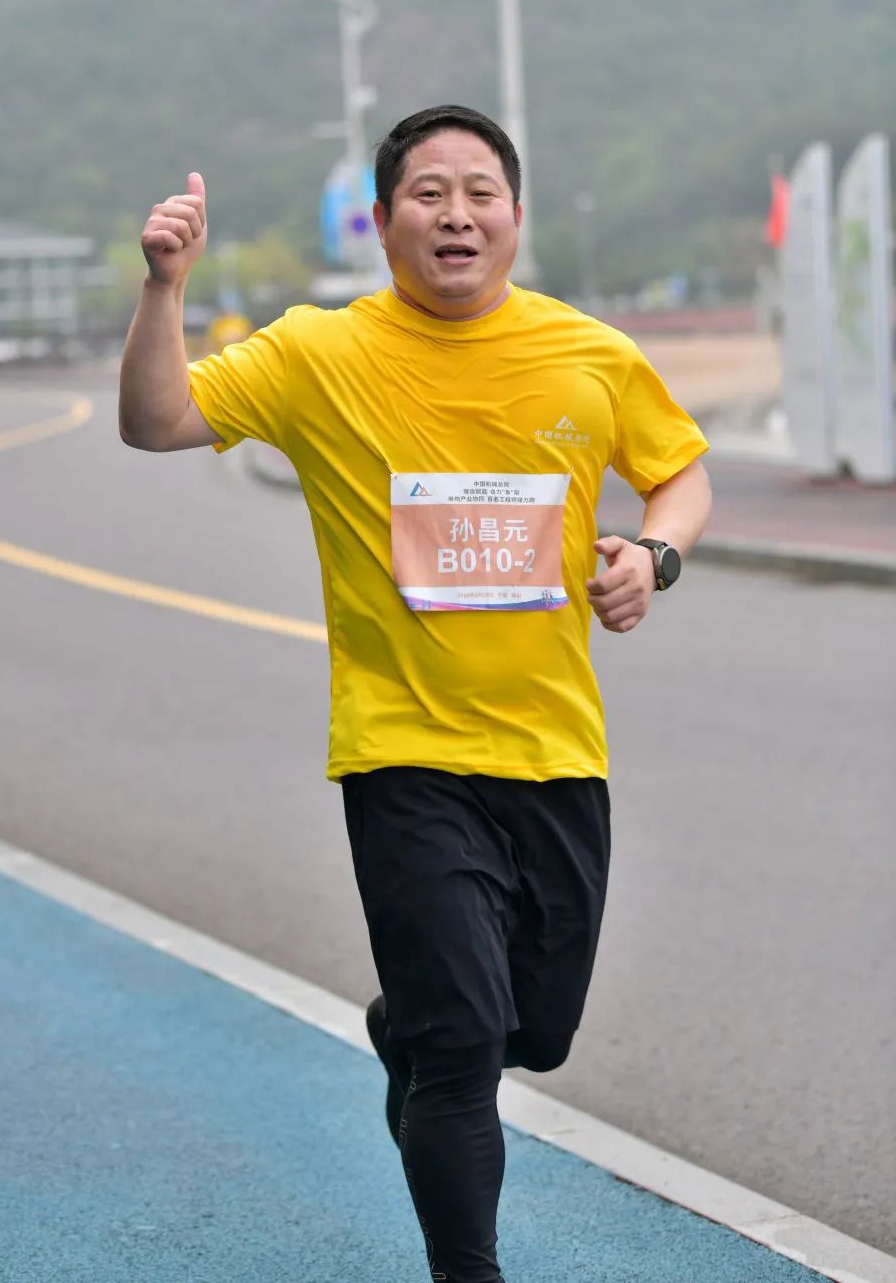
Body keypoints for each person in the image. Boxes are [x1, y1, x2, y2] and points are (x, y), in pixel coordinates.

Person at [119, 104, 712, 1283]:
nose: (456, 213)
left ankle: (403, 1024)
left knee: (533, 1032)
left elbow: (680, 470)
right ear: (384, 218)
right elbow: (156, 419)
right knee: (462, 1050)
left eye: (479, 192)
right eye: (428, 193)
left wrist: (655, 555)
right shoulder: (319, 352)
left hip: (556, 753)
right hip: (403, 755)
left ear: (516, 217)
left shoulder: (588, 353)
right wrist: (164, 285)